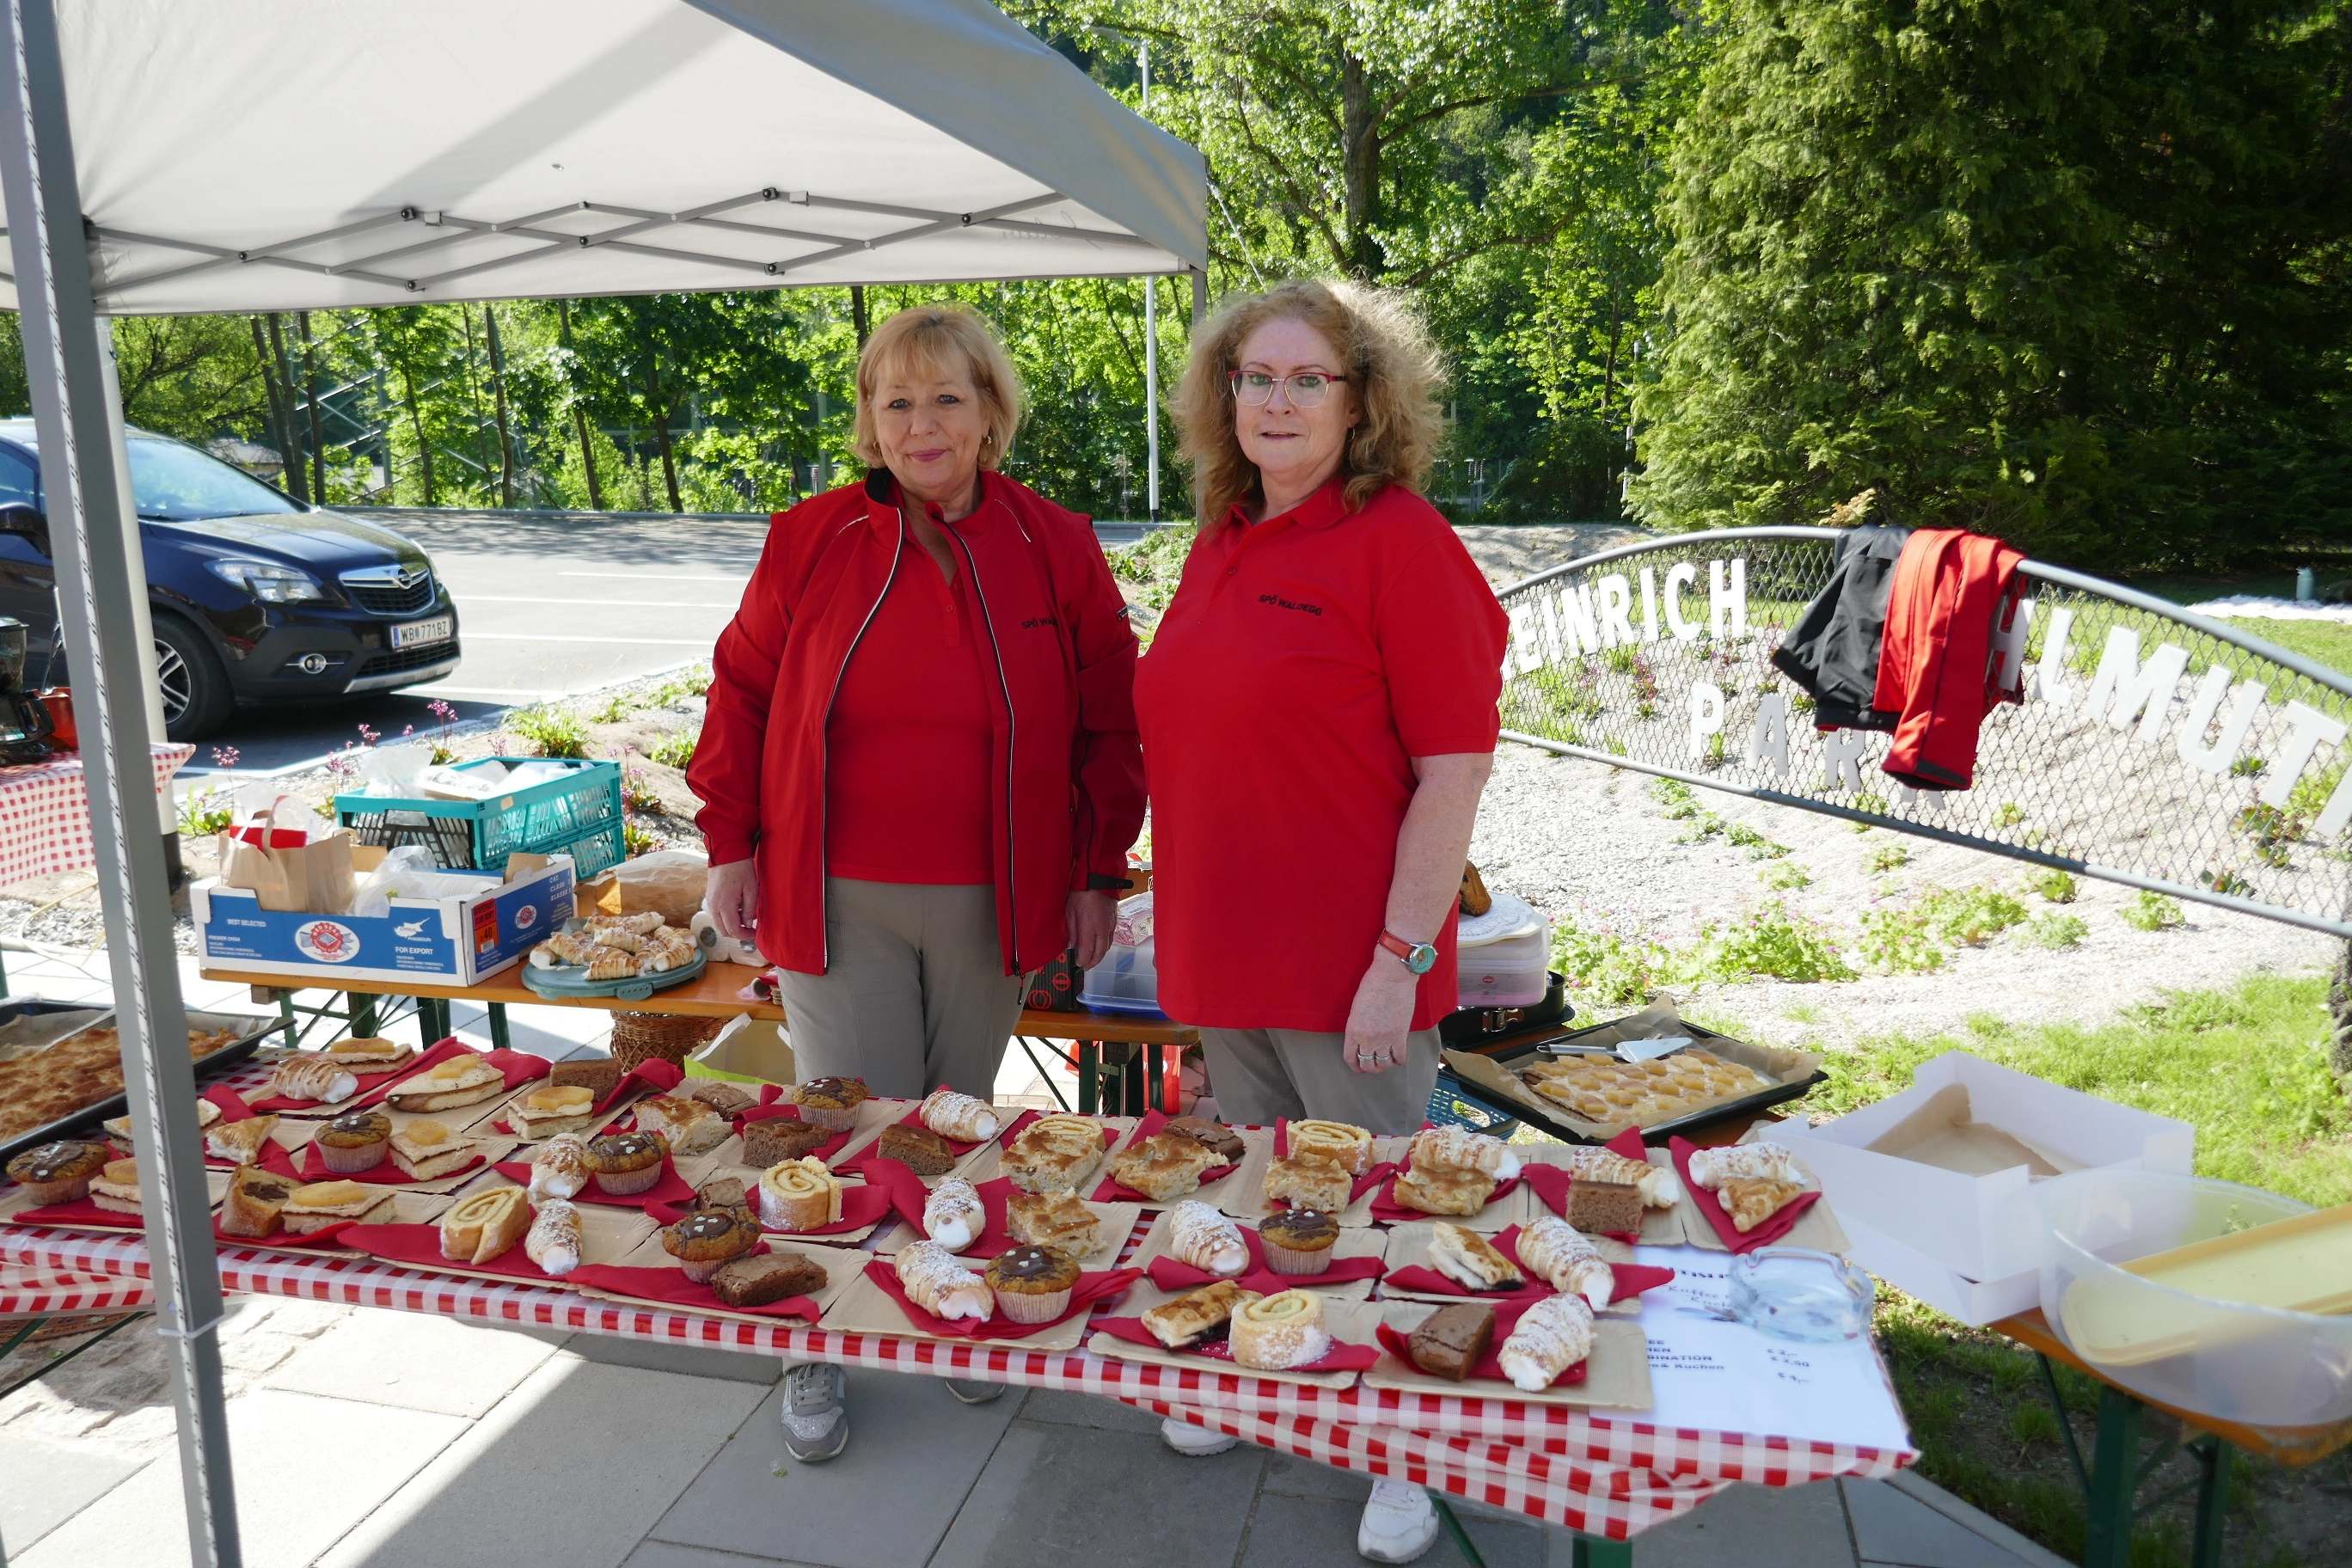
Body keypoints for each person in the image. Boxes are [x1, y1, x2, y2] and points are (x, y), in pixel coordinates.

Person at [690, 302, 1144, 1463]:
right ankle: (815, 1337)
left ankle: (942, 1305)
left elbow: (1110, 717)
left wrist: (1098, 869)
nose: (921, 423)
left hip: (997, 894)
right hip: (836, 892)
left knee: (951, 1125)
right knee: (844, 1125)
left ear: (991, 412)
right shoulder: (811, 538)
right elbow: (742, 688)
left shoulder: (1055, 542)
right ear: (869, 419)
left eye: (947, 397)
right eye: (897, 401)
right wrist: (730, 841)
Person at [1133, 279, 1506, 1565]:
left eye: (1309, 379)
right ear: (1223, 396)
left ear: (1362, 403)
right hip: (1226, 952)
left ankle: (1404, 1445)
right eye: (1256, 377)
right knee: (1259, 1193)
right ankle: (1261, 1373)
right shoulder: (1226, 532)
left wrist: (1399, 963)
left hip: (1353, 968)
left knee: (1386, 1205)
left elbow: (1454, 773)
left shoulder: (1402, 541)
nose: (1278, 402)